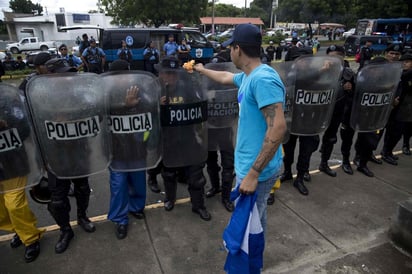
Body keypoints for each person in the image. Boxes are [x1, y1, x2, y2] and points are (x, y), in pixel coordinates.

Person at [194, 23, 286, 232]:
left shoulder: (262, 79)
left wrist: (253, 174)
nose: (229, 52)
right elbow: (226, 77)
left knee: (250, 226)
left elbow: (278, 128)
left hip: (257, 171)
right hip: (250, 165)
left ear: (238, 49)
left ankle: (251, 263)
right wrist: (201, 70)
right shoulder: (248, 75)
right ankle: (253, 261)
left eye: (230, 47)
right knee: (254, 219)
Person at [39, 58, 97, 254]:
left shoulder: (79, 94)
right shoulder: (40, 97)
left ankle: (82, 217)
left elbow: (93, 112)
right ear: (49, 75)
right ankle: (65, 230)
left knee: (82, 188)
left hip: (78, 150)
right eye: (61, 74)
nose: (66, 77)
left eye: (68, 73)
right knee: (57, 199)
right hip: (55, 154)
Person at [157, 56, 211, 221]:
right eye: (167, 73)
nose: (170, 77)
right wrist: (158, 106)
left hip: (188, 137)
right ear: (161, 74)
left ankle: (198, 205)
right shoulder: (156, 91)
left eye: (173, 74)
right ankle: (170, 199)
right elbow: (149, 116)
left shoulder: (187, 88)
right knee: (169, 173)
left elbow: (199, 107)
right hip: (168, 139)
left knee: (195, 175)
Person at [0, 89, 44, 263]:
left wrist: (6, 125)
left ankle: (30, 239)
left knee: (14, 204)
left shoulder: (10, 98)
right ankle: (18, 230)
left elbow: (25, 127)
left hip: (12, 162)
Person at [106, 59, 147, 240]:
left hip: (137, 145)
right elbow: (99, 109)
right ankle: (120, 219)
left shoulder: (139, 87)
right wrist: (125, 106)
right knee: (119, 184)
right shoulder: (106, 91)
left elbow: (148, 106)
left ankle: (136, 207)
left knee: (138, 181)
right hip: (116, 148)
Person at [318, 45, 355, 177]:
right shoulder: (321, 69)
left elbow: (355, 93)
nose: (335, 59)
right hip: (319, 111)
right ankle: (303, 170)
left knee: (331, 138)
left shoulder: (348, 72)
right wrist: (322, 71)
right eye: (331, 56)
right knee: (310, 141)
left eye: (338, 56)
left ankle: (324, 163)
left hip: (338, 111)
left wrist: (350, 88)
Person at [381, 52, 412, 164]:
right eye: (403, 62)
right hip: (394, 109)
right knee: (391, 132)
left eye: (407, 62)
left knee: (397, 133)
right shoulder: (399, 74)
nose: (405, 64)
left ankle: (388, 152)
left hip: (405, 110)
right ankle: (386, 152)